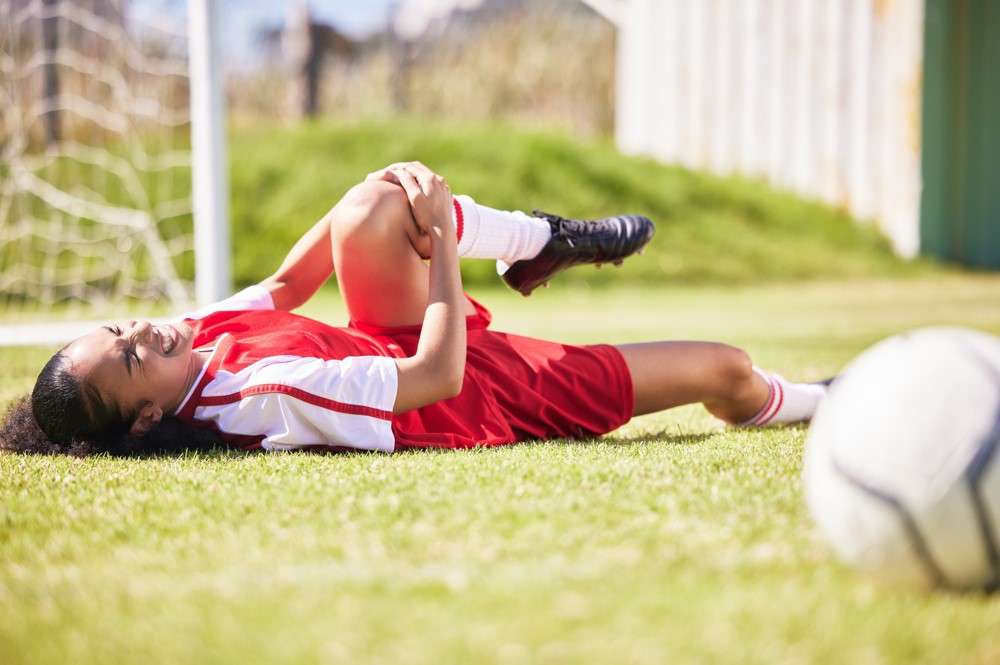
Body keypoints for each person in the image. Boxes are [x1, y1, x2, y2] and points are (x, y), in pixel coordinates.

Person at [0, 162, 827, 456]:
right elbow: (433, 377)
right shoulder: (260, 396)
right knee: (727, 367)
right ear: (147, 418)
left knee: (375, 203)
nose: (143, 332)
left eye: (120, 329)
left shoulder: (194, 337)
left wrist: (375, 191)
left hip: (386, 338)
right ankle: (823, 400)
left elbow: (288, 287)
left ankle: (539, 240)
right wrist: (436, 243)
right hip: (475, 392)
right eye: (133, 357)